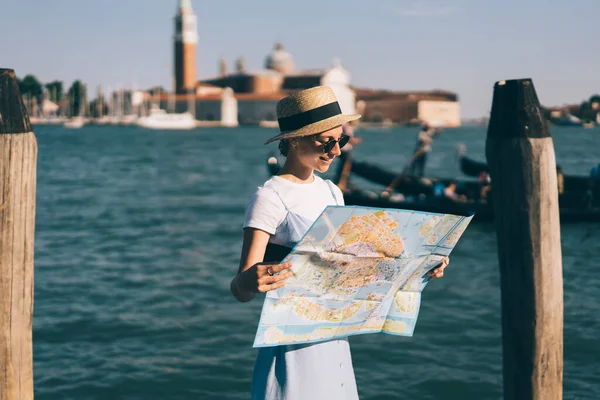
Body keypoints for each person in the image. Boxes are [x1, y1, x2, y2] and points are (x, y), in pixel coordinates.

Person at [230, 86, 450, 400]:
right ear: (293, 140)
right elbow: (240, 289)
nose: (336, 151)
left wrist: (421, 266)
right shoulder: (270, 196)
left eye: (340, 140)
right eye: (326, 142)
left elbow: (356, 268)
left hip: (334, 337)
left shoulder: (333, 192)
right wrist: (252, 279)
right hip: (293, 345)